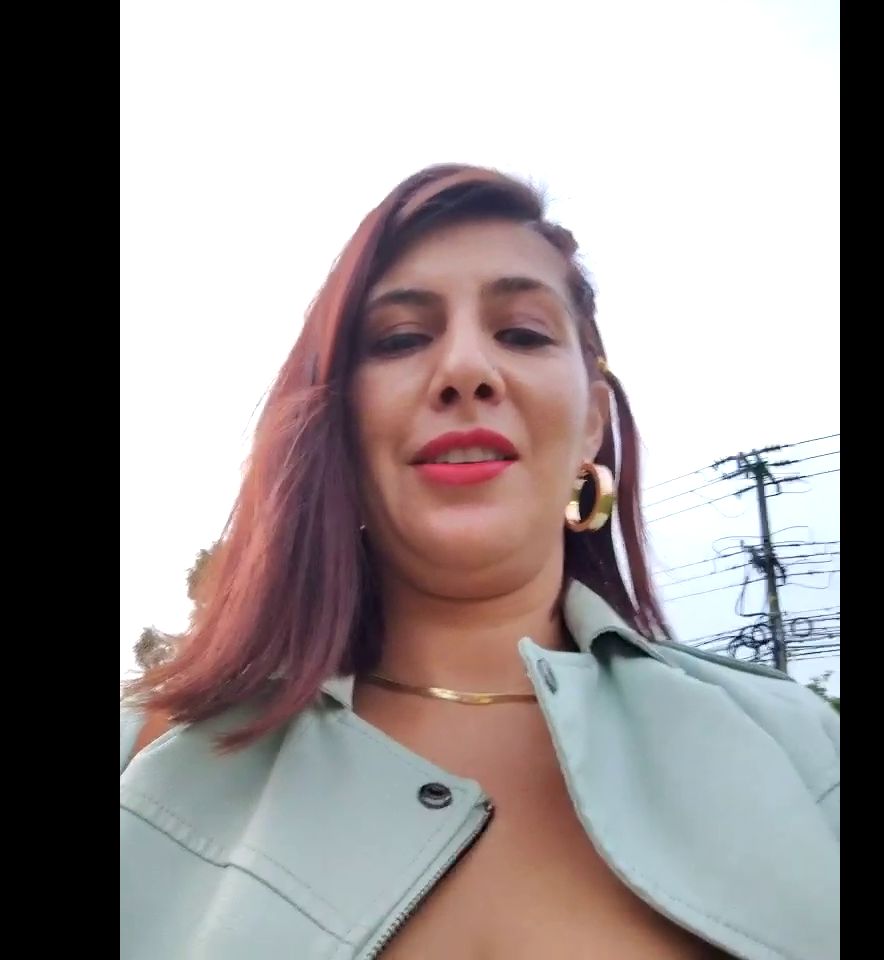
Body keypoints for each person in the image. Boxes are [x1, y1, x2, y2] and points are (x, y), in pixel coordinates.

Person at [120, 164, 839, 960]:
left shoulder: (802, 750)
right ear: (337, 423)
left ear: (593, 421)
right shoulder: (146, 764)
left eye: (523, 333)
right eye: (400, 339)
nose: (465, 369)